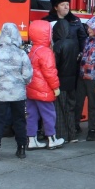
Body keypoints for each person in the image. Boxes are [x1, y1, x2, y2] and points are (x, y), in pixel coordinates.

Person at [0, 23, 33, 162]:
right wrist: (21, 82)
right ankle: (21, 148)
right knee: (20, 121)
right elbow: (28, 74)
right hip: (18, 94)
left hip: (1, 94)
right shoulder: (22, 53)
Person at [25, 20, 65, 150]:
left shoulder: (32, 50)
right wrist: (56, 87)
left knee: (32, 115)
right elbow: (50, 72)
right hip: (43, 90)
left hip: (31, 89)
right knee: (49, 114)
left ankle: (32, 140)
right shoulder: (46, 52)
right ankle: (52, 139)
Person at [51, 19, 80, 143]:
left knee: (59, 109)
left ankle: (62, 135)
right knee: (70, 109)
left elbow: (54, 65)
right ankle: (72, 134)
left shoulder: (58, 45)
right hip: (72, 81)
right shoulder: (74, 43)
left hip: (60, 81)